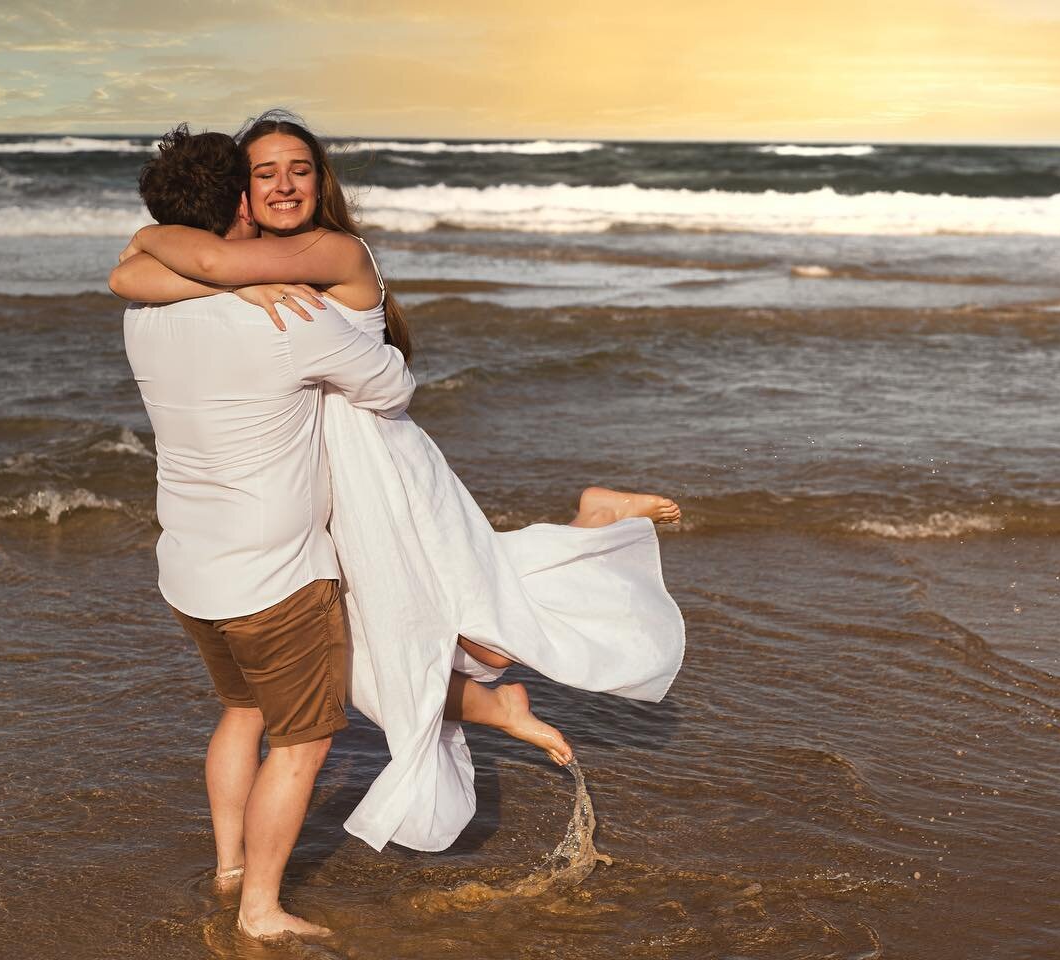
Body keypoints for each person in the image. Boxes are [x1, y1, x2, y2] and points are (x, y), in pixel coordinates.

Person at [112, 110, 685, 856]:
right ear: (240, 198)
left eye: (301, 169)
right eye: (264, 173)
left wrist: (199, 261)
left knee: (467, 614)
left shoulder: (330, 249)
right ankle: (495, 699)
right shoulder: (251, 267)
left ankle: (591, 529)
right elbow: (135, 272)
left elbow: (165, 268)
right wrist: (223, 278)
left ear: (323, 180)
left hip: (374, 458)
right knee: (379, 641)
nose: (285, 185)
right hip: (317, 465)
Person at [117, 125, 416, 942]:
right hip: (276, 579)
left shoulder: (143, 313)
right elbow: (392, 386)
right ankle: (261, 911)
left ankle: (228, 867)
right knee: (305, 741)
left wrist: (223, 284)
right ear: (241, 205)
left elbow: (143, 270)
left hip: (189, 570)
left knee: (240, 713)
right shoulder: (292, 318)